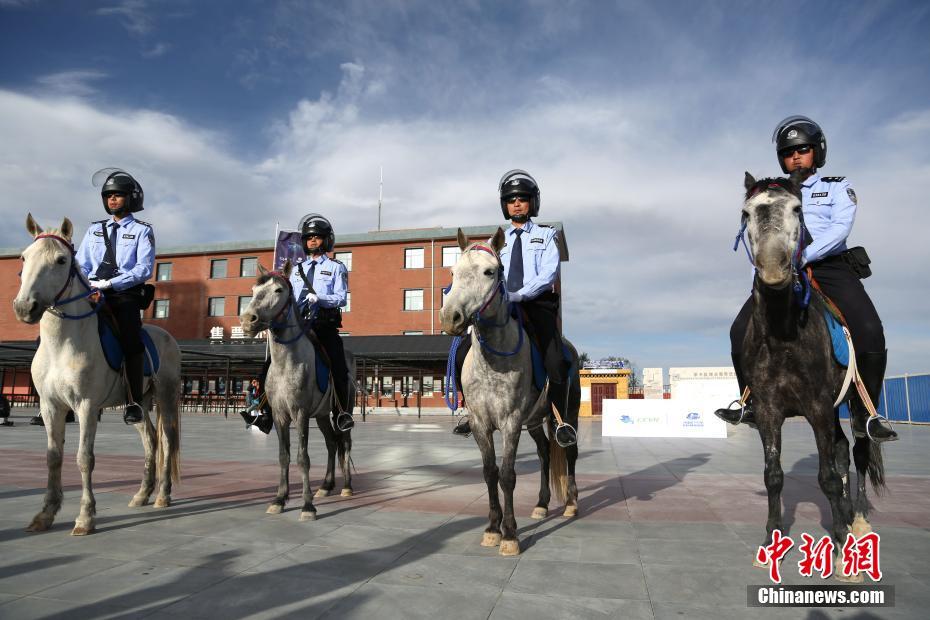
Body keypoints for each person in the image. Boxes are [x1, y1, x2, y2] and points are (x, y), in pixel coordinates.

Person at [715, 116, 895, 442]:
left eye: (803, 149)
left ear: (817, 151)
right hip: (783, 272)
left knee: (869, 328)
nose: (795, 156)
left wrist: (802, 257)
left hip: (829, 267)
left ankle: (866, 413)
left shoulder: (836, 186)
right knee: (739, 329)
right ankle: (750, 403)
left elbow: (841, 228)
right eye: (788, 152)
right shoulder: (773, 191)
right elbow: (765, 234)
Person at [452, 169, 576, 445]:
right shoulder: (494, 244)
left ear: (533, 202)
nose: (517, 203)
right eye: (511, 200)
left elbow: (548, 273)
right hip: (502, 308)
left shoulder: (546, 236)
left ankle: (558, 419)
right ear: (505, 206)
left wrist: (520, 294)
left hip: (536, 306)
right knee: (463, 350)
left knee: (556, 359)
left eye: (522, 198)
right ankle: (468, 409)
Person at [74, 168, 155, 425]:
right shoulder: (94, 229)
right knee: (59, 325)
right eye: (108, 195)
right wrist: (89, 283)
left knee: (131, 339)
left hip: (123, 295)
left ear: (131, 199)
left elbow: (144, 268)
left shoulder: (143, 231)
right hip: (91, 291)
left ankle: (133, 400)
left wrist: (111, 282)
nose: (112, 200)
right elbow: (81, 263)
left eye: (118, 195)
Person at [289, 214, 354, 432]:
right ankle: (264, 410)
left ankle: (341, 413)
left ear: (326, 240)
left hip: (323, 325)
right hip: (299, 327)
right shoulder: (296, 270)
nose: (313, 241)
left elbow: (341, 297)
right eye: (309, 238)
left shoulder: (336, 267)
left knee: (339, 367)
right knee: (271, 361)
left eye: (317, 237)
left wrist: (321, 299)